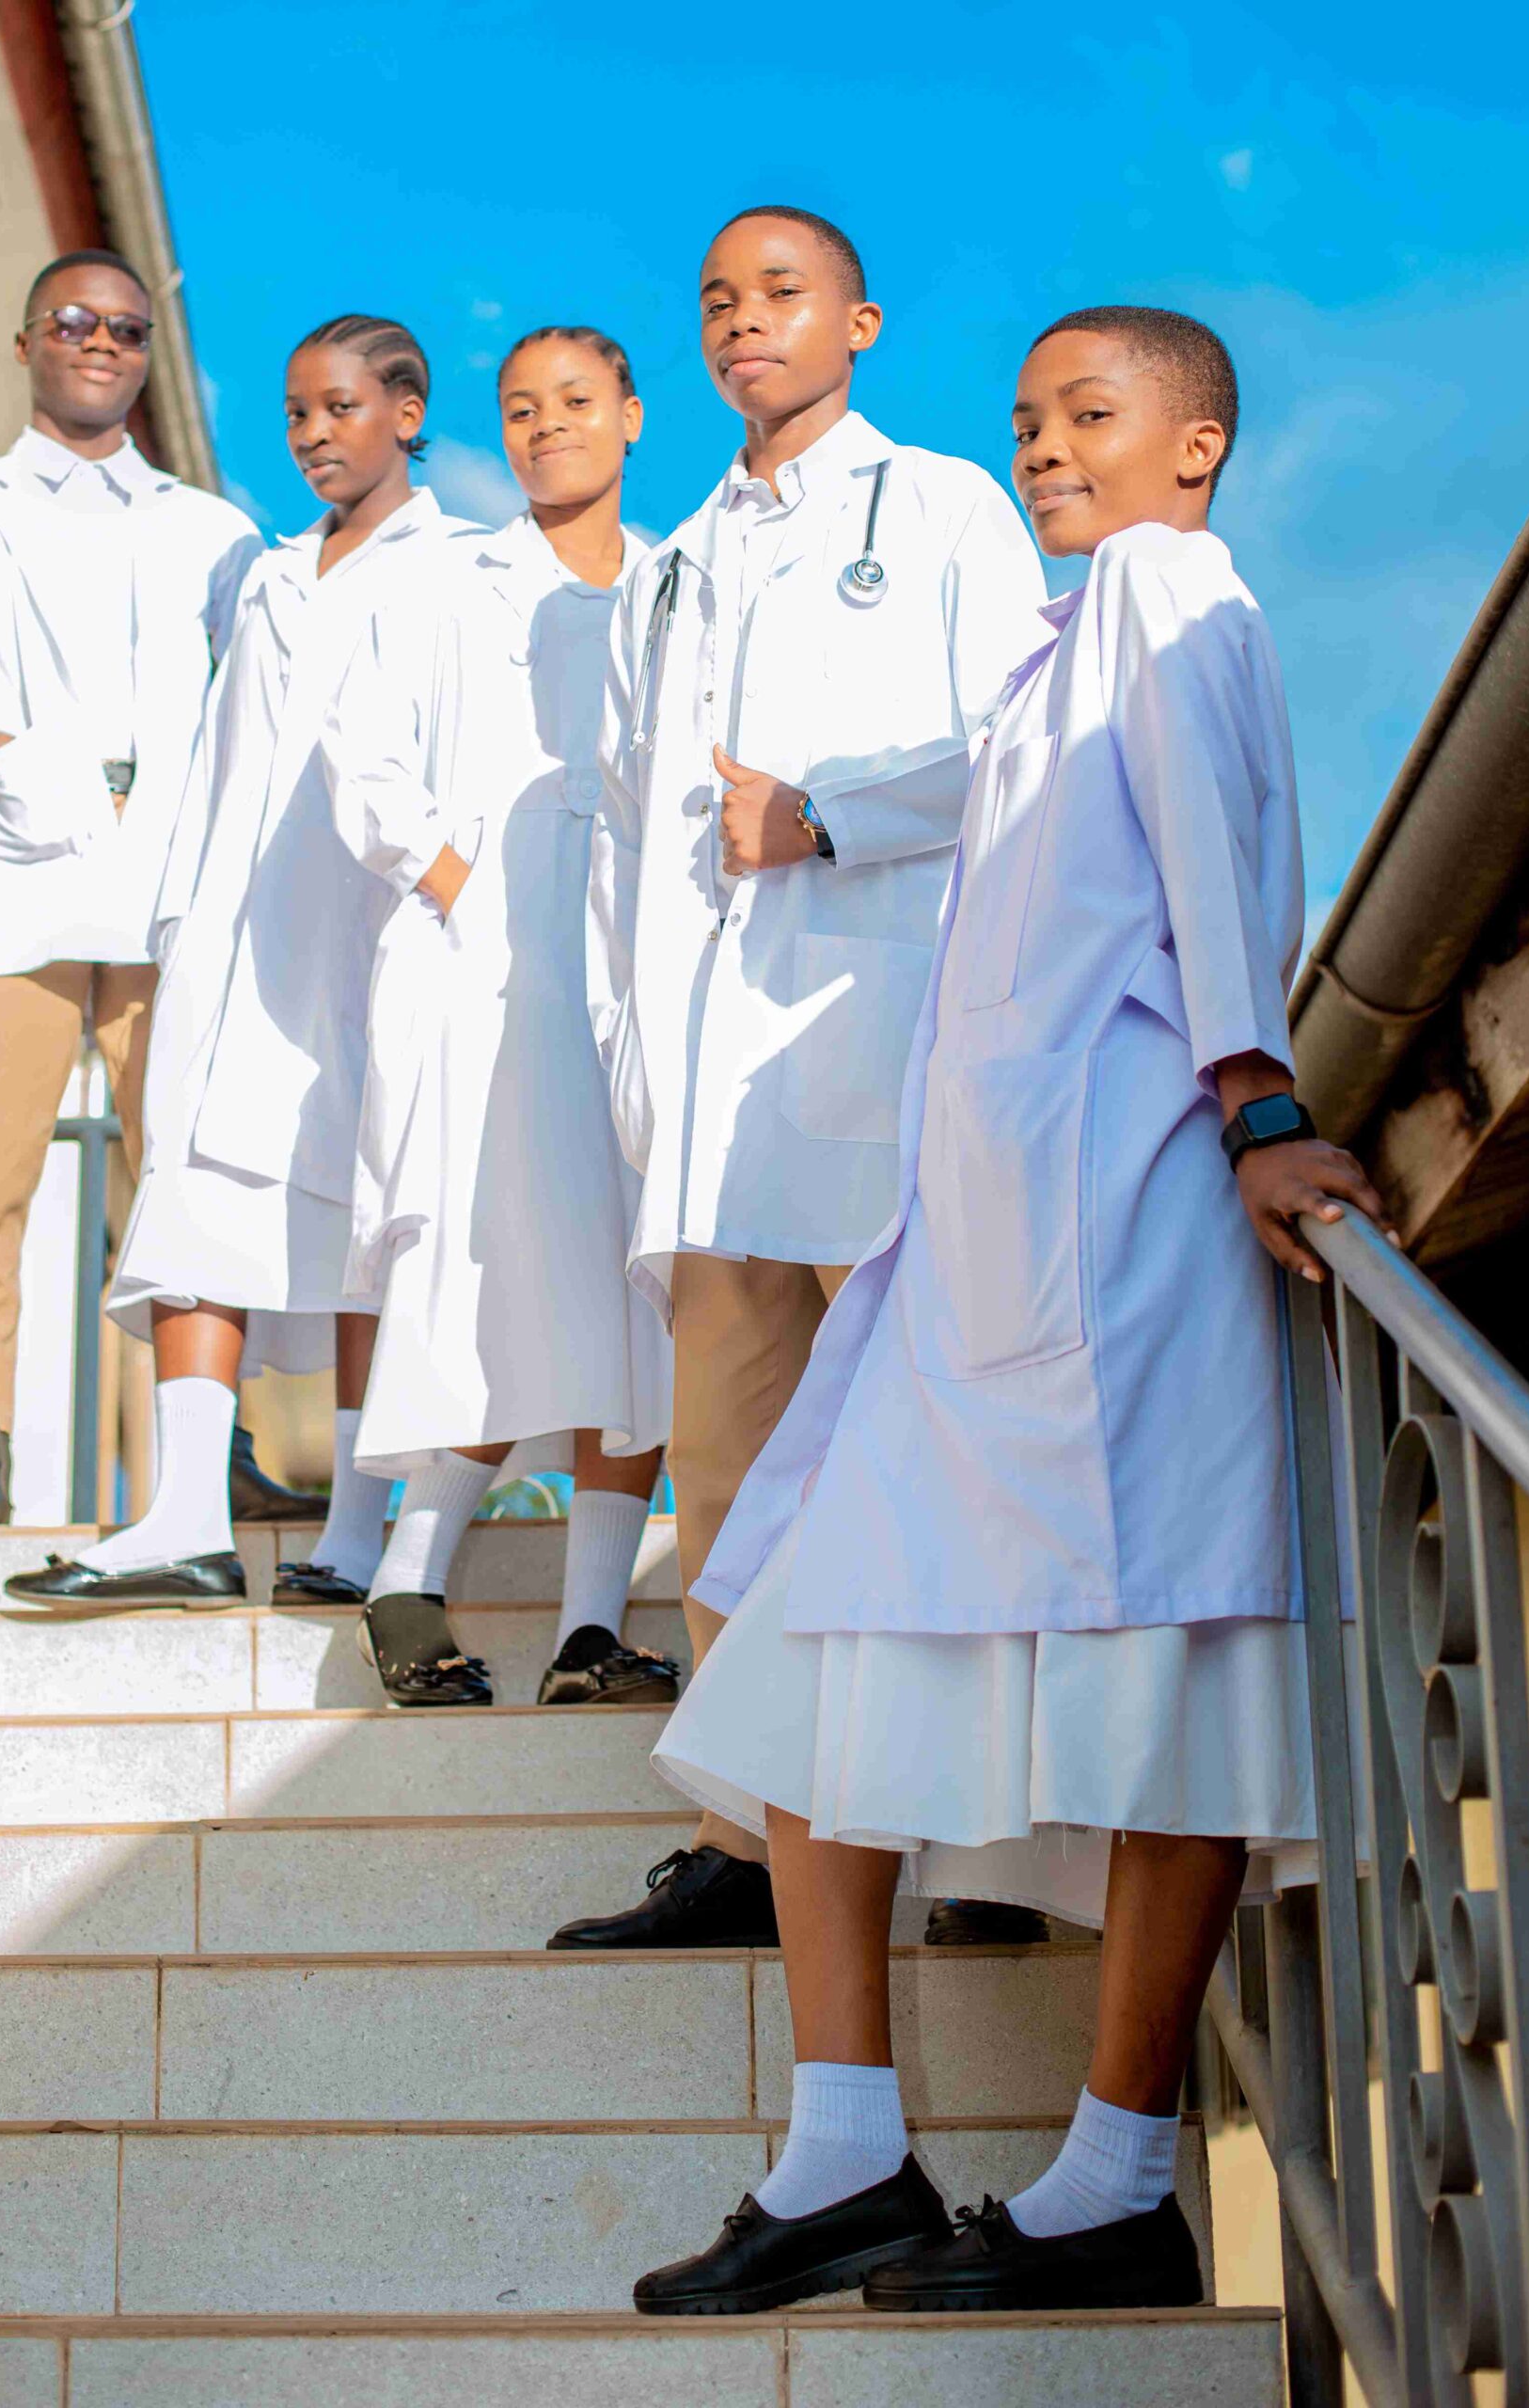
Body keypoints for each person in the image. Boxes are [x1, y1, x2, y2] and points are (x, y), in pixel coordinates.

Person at [632, 307, 1390, 2318]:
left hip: (1116, 1222)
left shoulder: (1166, 590)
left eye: (1091, 413)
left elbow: (1218, 848)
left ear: (1196, 445)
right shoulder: (1063, 646)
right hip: (981, 1240)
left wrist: (1258, 1098)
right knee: (813, 1637)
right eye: (1030, 418)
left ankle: (1114, 2180)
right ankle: (846, 2154)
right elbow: (964, 790)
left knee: (1162, 1680)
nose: (1047, 445)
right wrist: (818, 809)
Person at [548, 207, 1047, 1951]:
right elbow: (629, 839)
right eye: (717, 301)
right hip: (712, 1098)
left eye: (781, 296)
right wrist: (635, 1063)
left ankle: (985, 1846)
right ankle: (753, 1849)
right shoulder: (674, 561)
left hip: (883, 1052)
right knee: (735, 1479)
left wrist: (833, 815)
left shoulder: (943, 508)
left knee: (935, 1455)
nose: (743, 323)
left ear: (860, 322)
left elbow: (1019, 740)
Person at [3, 317, 481, 1606]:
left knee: (374, 1222)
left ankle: (358, 1531)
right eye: (296, 414)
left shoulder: (462, 575)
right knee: (194, 1210)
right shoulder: (270, 579)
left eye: (340, 408)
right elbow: (219, 766)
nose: (315, 435)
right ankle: (184, 1519)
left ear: (406, 412)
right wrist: (180, 924)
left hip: (377, 942)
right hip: (236, 939)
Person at [323, 327, 675, 1707]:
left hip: (637, 973)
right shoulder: (449, 583)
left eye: (575, 401)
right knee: (486, 1266)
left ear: (631, 416)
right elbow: (361, 751)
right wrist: (461, 881)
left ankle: (590, 1628)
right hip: (484, 975)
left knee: (633, 1277)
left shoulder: (680, 584)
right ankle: (408, 1578)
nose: (545, 427)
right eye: (520, 409)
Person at [0, 251, 262, 1539]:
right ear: (26, 342)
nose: (100, 343)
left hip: (171, 893)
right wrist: (2, 755)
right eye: (73, 322)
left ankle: (211, 1458)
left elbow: (269, 699)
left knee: (188, 1182)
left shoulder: (214, 532)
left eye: (125, 328)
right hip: (20, 882)